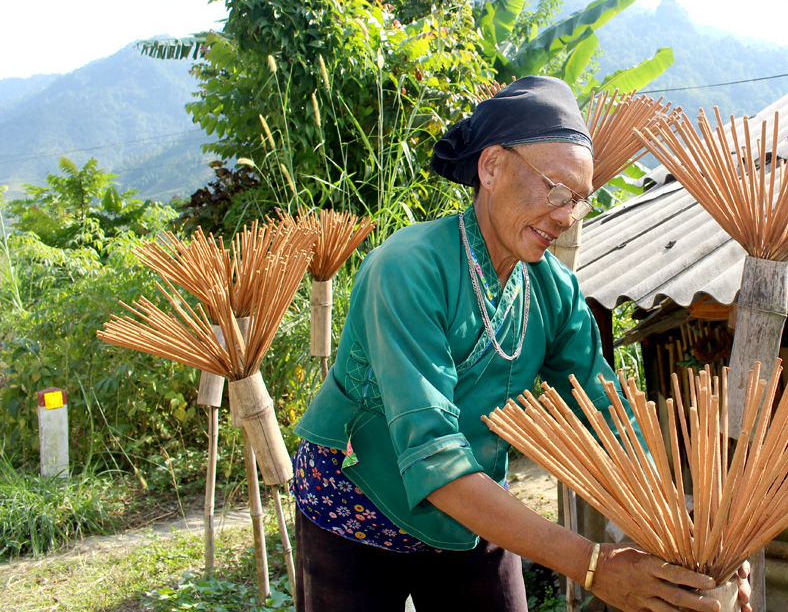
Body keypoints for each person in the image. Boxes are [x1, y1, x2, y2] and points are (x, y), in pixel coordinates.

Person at [290, 76, 751, 611]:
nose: (566, 216)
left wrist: (682, 540)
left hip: (474, 504)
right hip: (358, 504)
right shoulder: (408, 267)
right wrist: (591, 565)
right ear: (491, 168)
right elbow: (431, 454)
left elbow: (606, 413)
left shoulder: (553, 288)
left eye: (579, 200)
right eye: (555, 189)